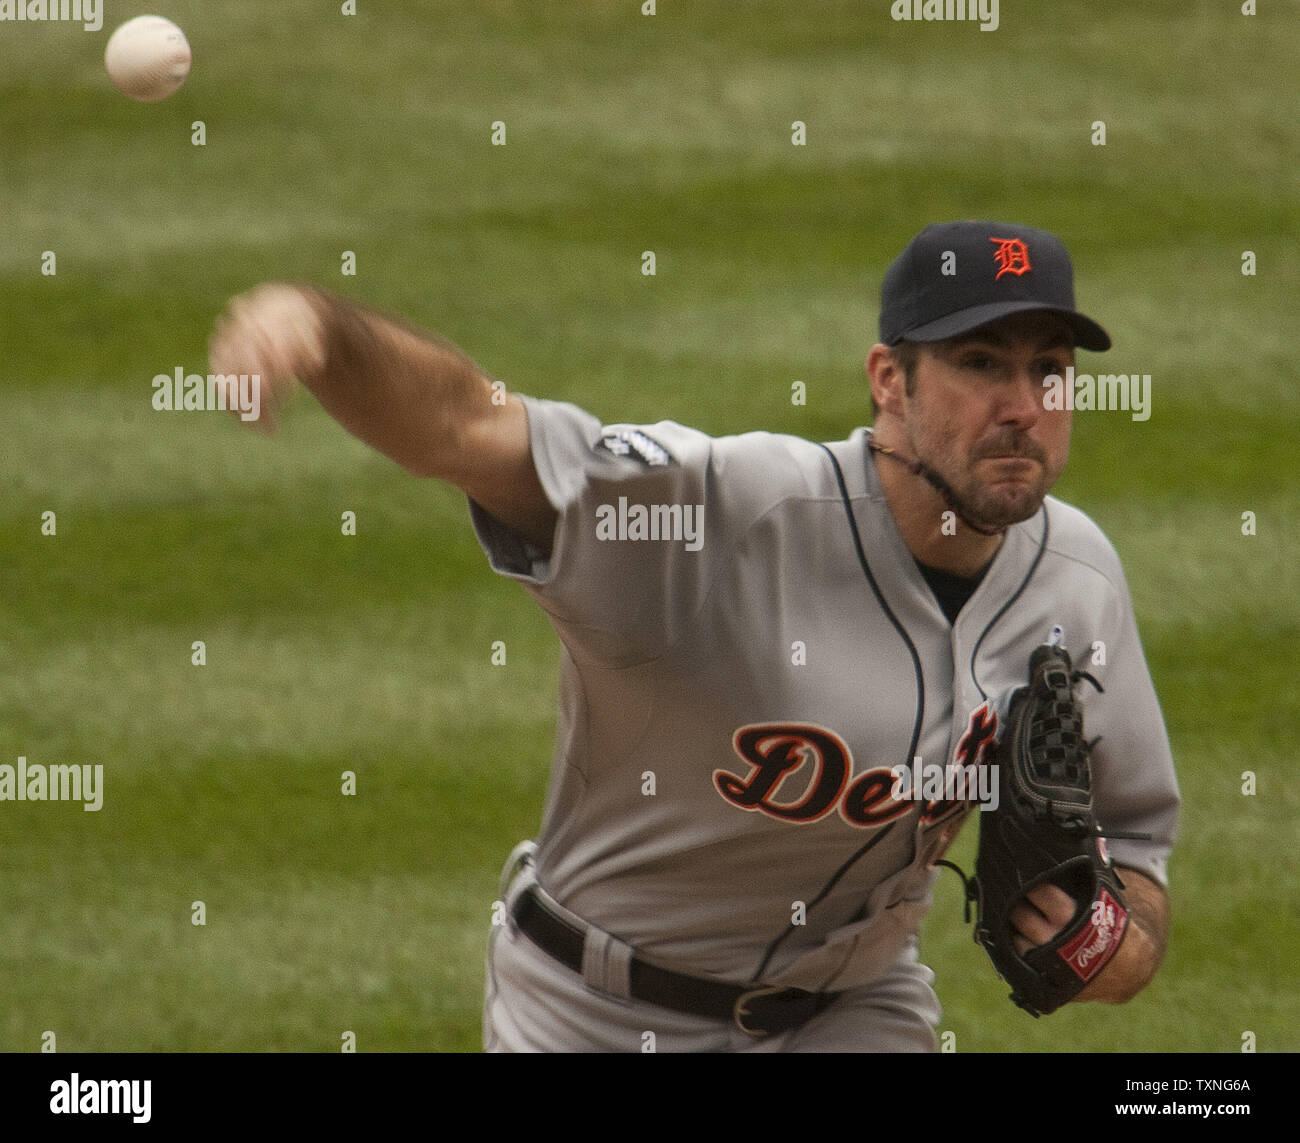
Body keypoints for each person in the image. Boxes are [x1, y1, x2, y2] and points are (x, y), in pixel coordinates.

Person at [208, 219, 1179, 1052]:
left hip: (851, 1013)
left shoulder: (1077, 579)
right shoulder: (717, 511)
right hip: (594, 1009)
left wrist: (1115, 945)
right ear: (889, 380)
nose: (1021, 406)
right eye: (979, 364)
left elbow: (1133, 838)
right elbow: (471, 426)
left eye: (1048, 371)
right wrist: (323, 334)